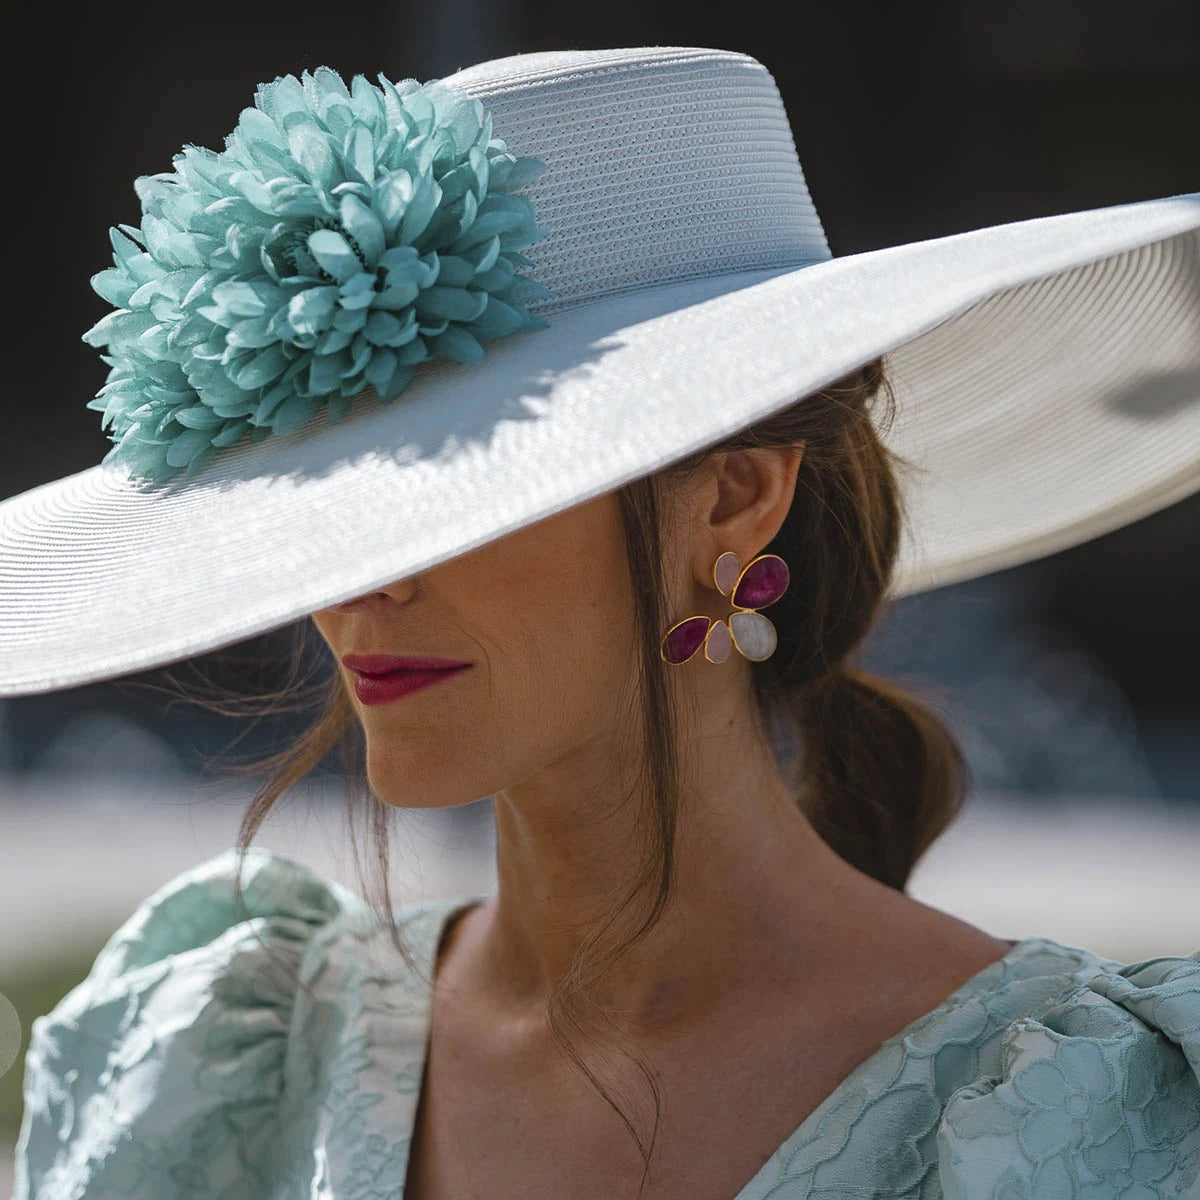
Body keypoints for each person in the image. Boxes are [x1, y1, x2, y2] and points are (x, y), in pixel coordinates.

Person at [5, 45, 1200, 1200]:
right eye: (329, 501)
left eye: (444, 482)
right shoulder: (228, 1069)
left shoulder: (1074, 1115)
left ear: (736, 495)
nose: (360, 589)